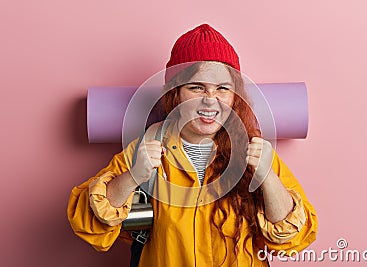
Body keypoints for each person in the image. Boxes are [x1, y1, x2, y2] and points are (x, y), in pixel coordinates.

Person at [68, 24, 317, 267]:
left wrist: (267, 177)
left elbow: (295, 237)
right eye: (197, 87)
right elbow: (87, 223)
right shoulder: (144, 150)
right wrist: (134, 176)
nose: (210, 100)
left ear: (235, 95)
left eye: (222, 88)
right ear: (175, 92)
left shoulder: (255, 152)